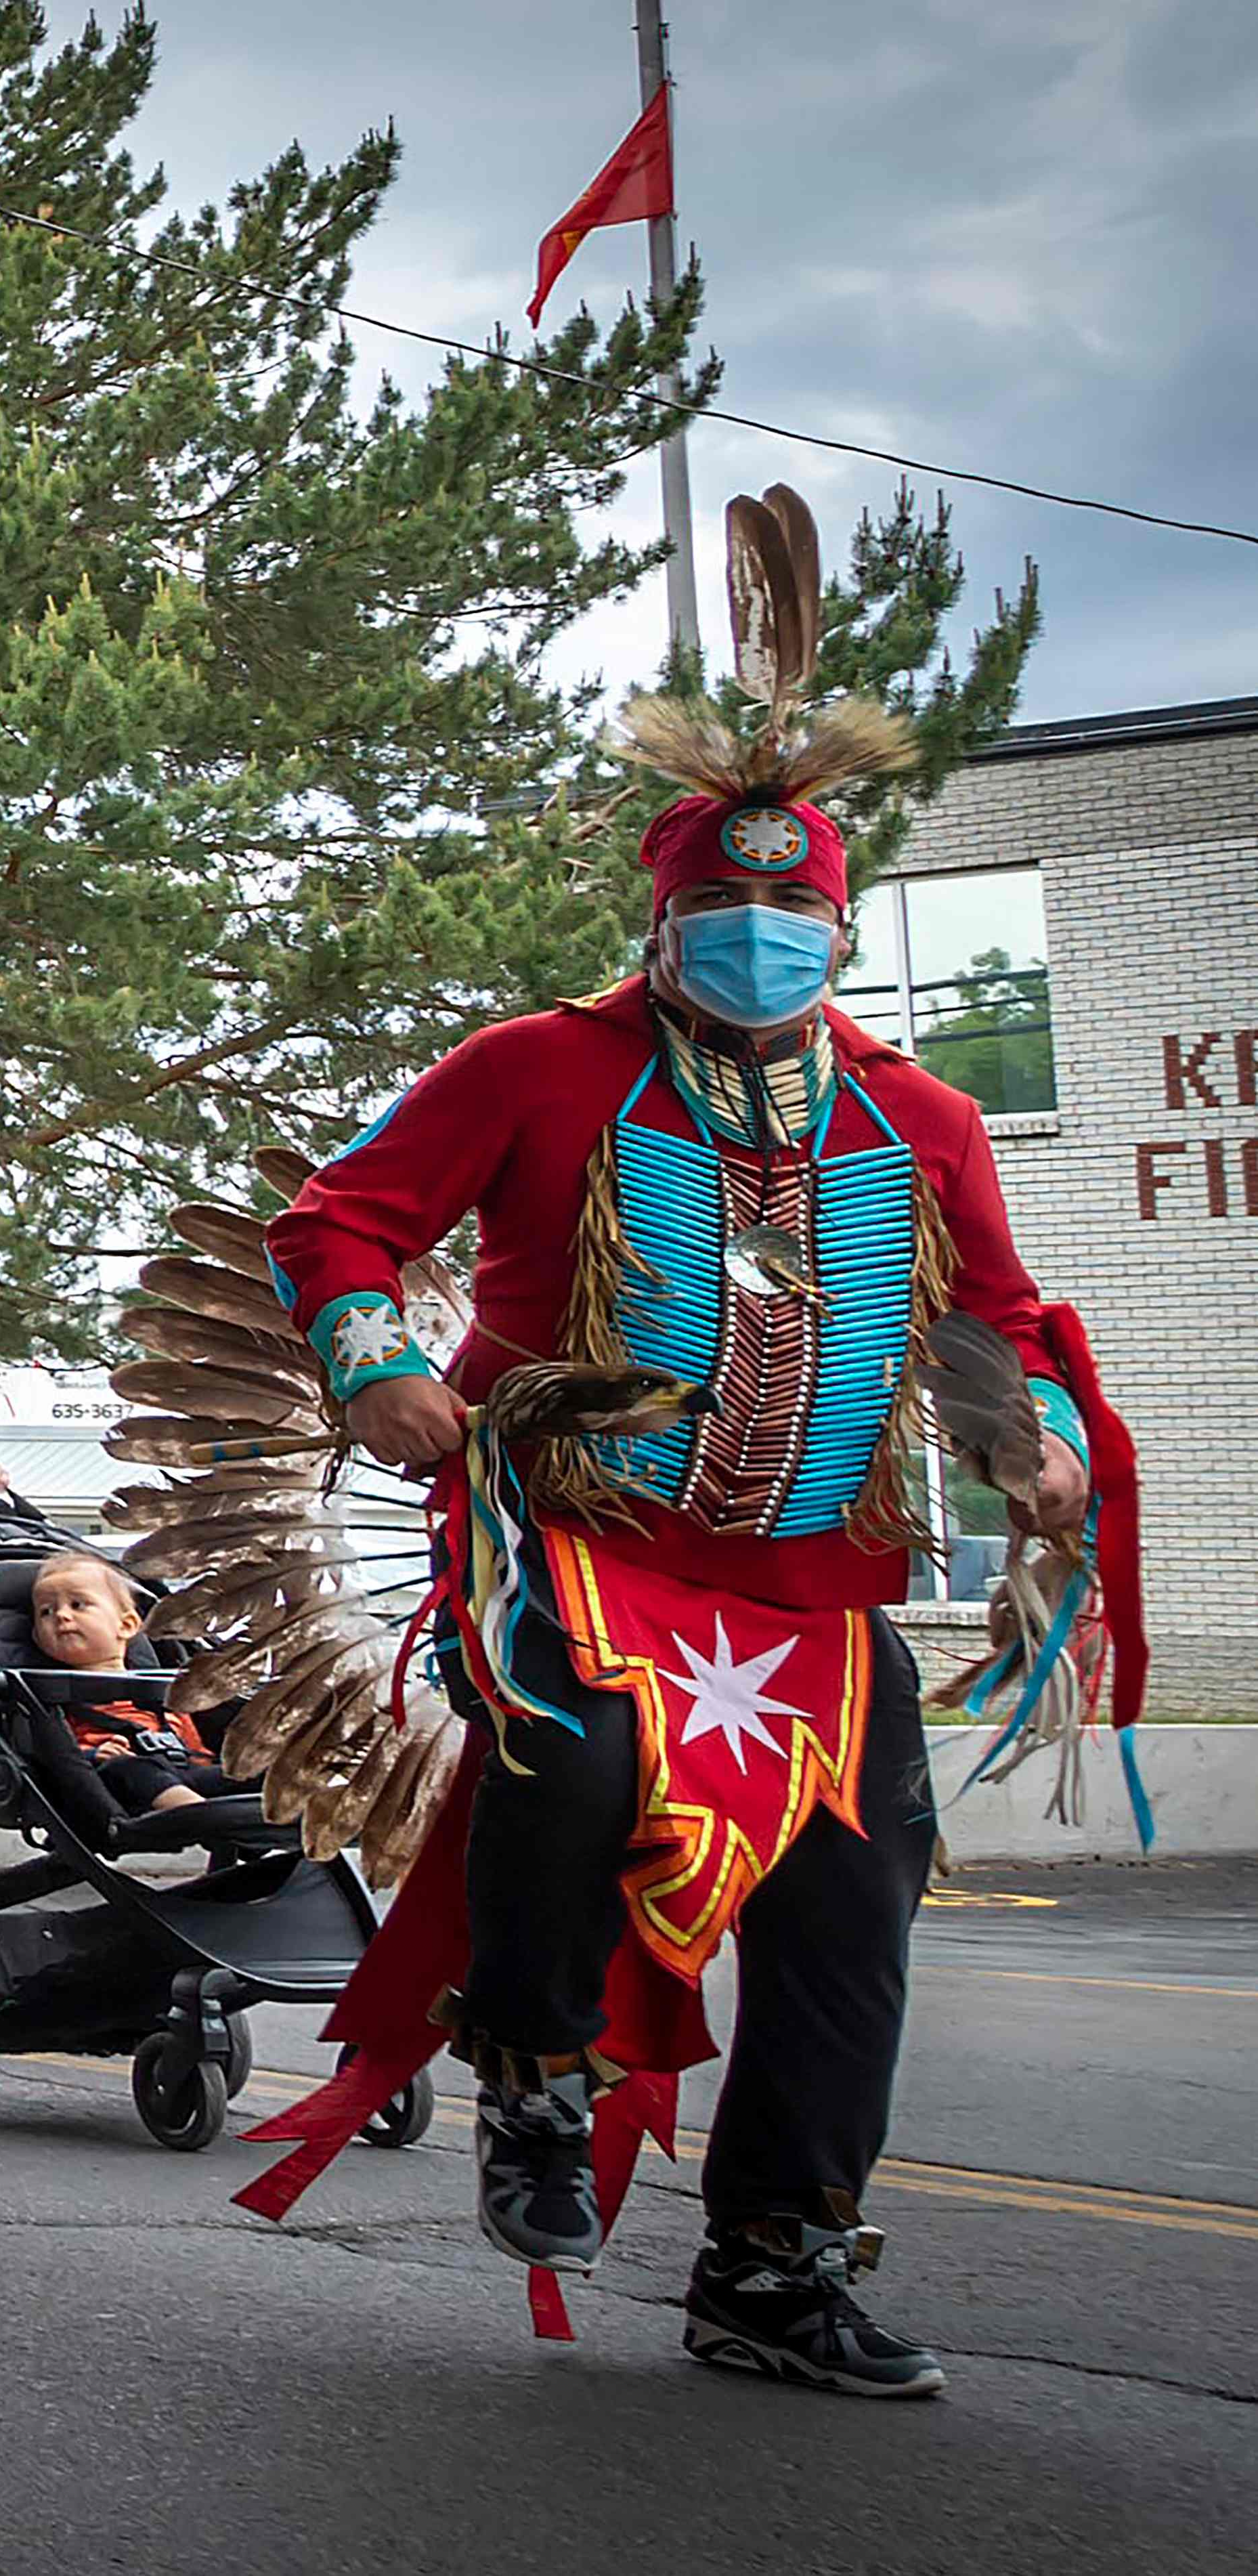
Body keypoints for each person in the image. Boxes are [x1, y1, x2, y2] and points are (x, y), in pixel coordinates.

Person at [252, 595, 1125, 2397]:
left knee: (849, 1899)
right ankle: (535, 2072)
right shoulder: (531, 1067)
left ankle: (775, 2259)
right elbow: (336, 1220)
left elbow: (986, 1315)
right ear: (659, 919)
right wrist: (373, 1359)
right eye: (717, 908)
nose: (753, 935)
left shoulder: (919, 1117)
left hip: (812, 1584)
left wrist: (1023, 1428)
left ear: (836, 928)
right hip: (568, 1531)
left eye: (789, 911)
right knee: (562, 1757)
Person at [27, 1551, 235, 1815]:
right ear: (38, 1638)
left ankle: (276, 1813)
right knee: (129, 1768)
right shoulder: (55, 1696)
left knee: (240, 1771)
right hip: (122, 1783)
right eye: (46, 1612)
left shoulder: (159, 1690)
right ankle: (204, 1817)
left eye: (78, 1605)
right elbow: (60, 1759)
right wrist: (94, 1754)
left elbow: (194, 1747)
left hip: (185, 1773)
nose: (61, 1616)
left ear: (126, 1625)